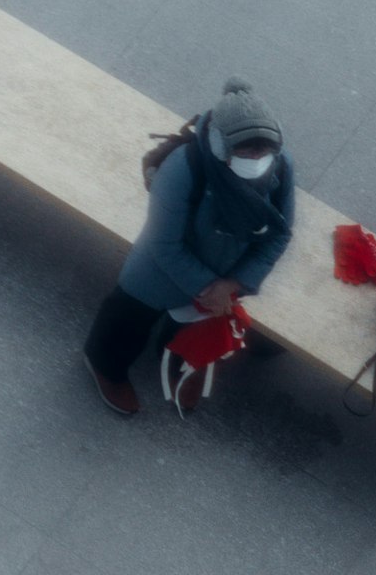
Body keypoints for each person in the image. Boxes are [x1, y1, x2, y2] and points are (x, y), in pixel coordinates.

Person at [84, 77, 294, 417]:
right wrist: (209, 288)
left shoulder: (280, 165)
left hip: (228, 272)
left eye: (263, 150)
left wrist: (234, 283)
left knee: (196, 325)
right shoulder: (184, 168)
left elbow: (281, 232)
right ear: (221, 144)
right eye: (246, 150)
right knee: (128, 320)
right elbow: (162, 242)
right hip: (160, 268)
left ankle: (181, 365)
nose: (257, 158)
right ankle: (105, 365)